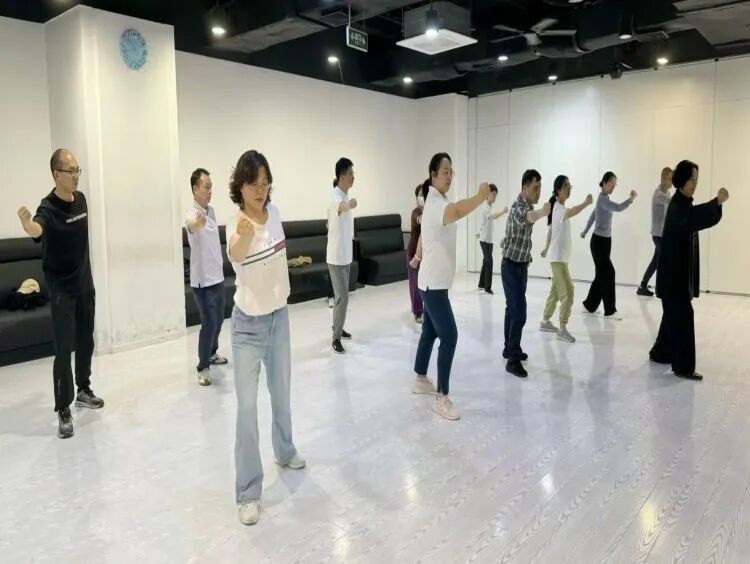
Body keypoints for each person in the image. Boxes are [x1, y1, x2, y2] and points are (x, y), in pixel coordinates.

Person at [227, 150, 305, 526]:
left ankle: (285, 450)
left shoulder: (273, 214)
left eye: (265, 183)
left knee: (282, 392)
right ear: (240, 187)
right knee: (246, 409)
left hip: (279, 319)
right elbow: (235, 253)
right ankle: (248, 491)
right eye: (253, 184)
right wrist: (243, 237)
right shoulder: (237, 223)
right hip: (248, 327)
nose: (260, 190)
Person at [16, 149, 104, 439]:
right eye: (71, 171)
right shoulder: (48, 207)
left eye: (78, 170)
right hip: (61, 291)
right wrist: (29, 226)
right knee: (64, 350)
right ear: (56, 174)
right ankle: (63, 408)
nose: (77, 176)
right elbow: (37, 228)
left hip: (84, 284)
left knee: (86, 341)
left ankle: (84, 390)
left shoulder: (81, 200)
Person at [410, 153, 490, 420]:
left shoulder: (438, 201)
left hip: (433, 282)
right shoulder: (435, 203)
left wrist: (418, 256)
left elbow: (429, 233)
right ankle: (441, 398)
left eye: (451, 172)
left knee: (430, 332)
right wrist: (480, 197)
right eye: (445, 171)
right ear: (433, 175)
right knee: (450, 336)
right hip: (432, 285)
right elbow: (456, 212)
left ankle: (420, 379)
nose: (449, 176)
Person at [649, 160, 728, 380]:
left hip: (674, 277)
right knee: (683, 315)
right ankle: (683, 367)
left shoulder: (682, 203)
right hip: (673, 279)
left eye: (696, 180)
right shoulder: (678, 207)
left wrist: (715, 205)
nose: (695, 184)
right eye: (691, 179)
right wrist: (716, 203)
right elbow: (695, 218)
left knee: (672, 315)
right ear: (682, 180)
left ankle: (660, 352)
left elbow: (693, 216)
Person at [501, 169, 550, 378]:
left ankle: (509, 348)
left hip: (520, 266)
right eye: (535, 188)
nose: (538, 192)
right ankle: (512, 360)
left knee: (511, 309)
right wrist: (542, 212)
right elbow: (527, 218)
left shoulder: (527, 205)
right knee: (519, 312)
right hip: (511, 266)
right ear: (524, 188)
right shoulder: (518, 208)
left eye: (540, 188)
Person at [185, 168, 228, 387]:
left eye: (211, 187)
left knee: (219, 320)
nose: (210, 191)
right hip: (203, 281)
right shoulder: (193, 214)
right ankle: (203, 367)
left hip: (217, 277)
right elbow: (191, 225)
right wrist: (197, 223)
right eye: (206, 187)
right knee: (209, 324)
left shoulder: (211, 211)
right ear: (195, 189)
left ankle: (212, 353)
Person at [539, 176, 594, 343]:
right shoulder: (558, 208)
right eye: (565, 186)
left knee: (555, 292)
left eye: (570, 186)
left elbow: (551, 230)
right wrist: (585, 204)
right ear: (558, 189)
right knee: (568, 293)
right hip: (558, 260)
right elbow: (571, 212)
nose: (569, 189)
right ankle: (562, 329)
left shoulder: (557, 207)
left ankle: (545, 321)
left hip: (559, 259)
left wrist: (546, 248)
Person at [581, 172, 637, 320]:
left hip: (605, 242)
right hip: (598, 242)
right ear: (605, 182)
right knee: (609, 273)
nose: (613, 187)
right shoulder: (602, 200)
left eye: (615, 184)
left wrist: (585, 231)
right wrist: (630, 200)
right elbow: (617, 208)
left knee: (601, 274)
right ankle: (610, 311)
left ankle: (589, 305)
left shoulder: (604, 199)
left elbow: (593, 215)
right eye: (612, 184)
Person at [327, 157, 357, 354]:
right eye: (351, 174)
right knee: (342, 298)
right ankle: (335, 338)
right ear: (342, 176)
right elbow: (341, 207)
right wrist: (350, 204)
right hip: (336, 258)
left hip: (345, 256)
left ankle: (338, 326)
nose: (353, 178)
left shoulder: (343, 195)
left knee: (342, 298)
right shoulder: (336, 197)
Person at [637, 167, 673, 297]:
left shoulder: (667, 192)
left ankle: (642, 286)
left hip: (662, 233)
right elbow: (672, 202)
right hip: (658, 234)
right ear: (663, 179)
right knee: (665, 260)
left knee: (656, 261)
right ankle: (663, 289)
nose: (672, 182)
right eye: (670, 179)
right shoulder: (659, 194)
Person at [476, 184, 508, 295]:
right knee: (489, 262)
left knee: (486, 261)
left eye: (495, 195)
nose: (494, 197)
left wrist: (479, 231)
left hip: (488, 239)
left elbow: (485, 223)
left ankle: (481, 284)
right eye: (493, 194)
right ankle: (487, 287)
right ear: (487, 194)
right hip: (485, 240)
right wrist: (503, 212)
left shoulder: (489, 206)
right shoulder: (485, 207)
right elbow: (492, 217)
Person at [406, 185, 424, 323]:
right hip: (413, 251)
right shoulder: (415, 212)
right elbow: (420, 219)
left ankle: (426, 309)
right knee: (415, 282)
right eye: (420, 194)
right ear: (417, 198)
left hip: (425, 252)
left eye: (425, 194)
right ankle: (417, 312)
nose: (423, 197)